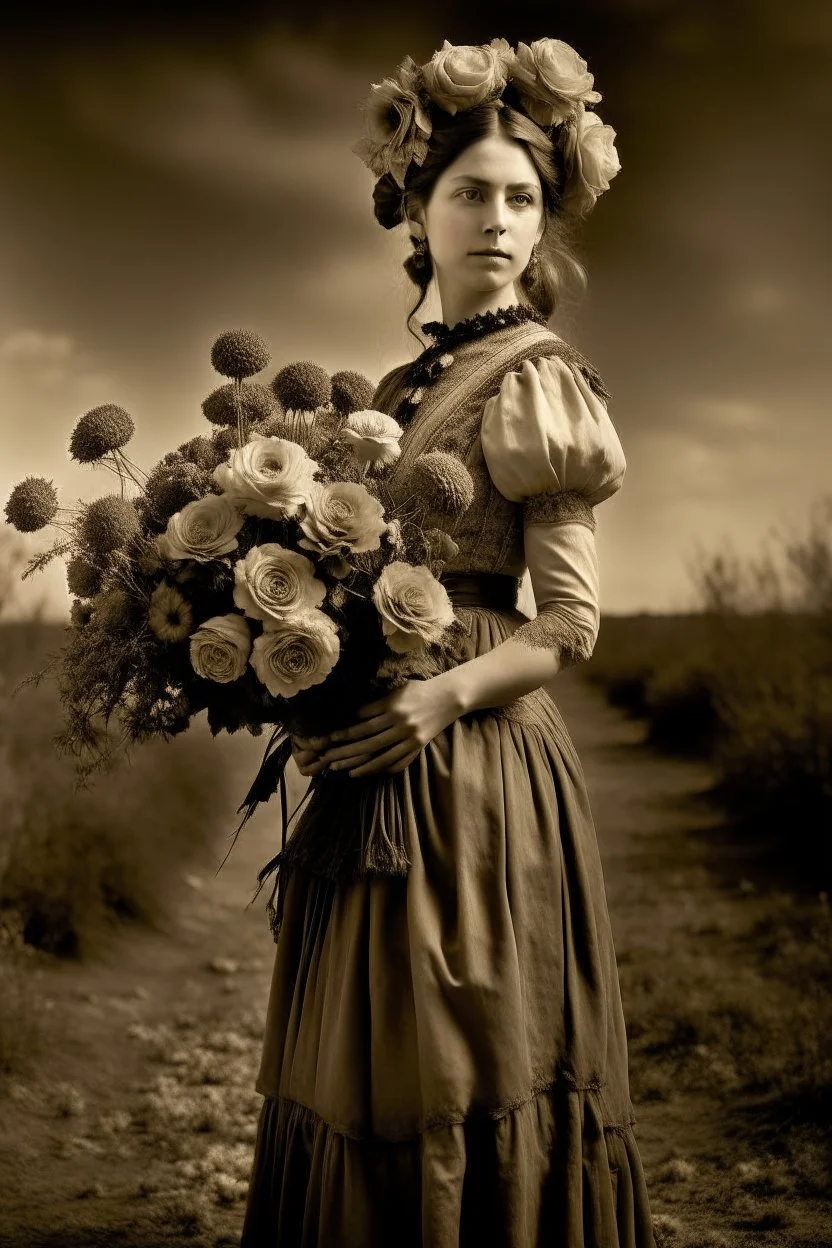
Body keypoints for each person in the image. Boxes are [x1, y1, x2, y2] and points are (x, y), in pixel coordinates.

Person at [241, 37, 656, 1247]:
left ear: (544, 222)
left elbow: (569, 626)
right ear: (417, 211)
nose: (497, 219)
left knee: (466, 1048)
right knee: (371, 1050)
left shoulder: (539, 379)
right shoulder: (396, 386)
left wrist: (435, 702)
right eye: (470, 191)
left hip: (477, 765)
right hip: (376, 764)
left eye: (521, 197)